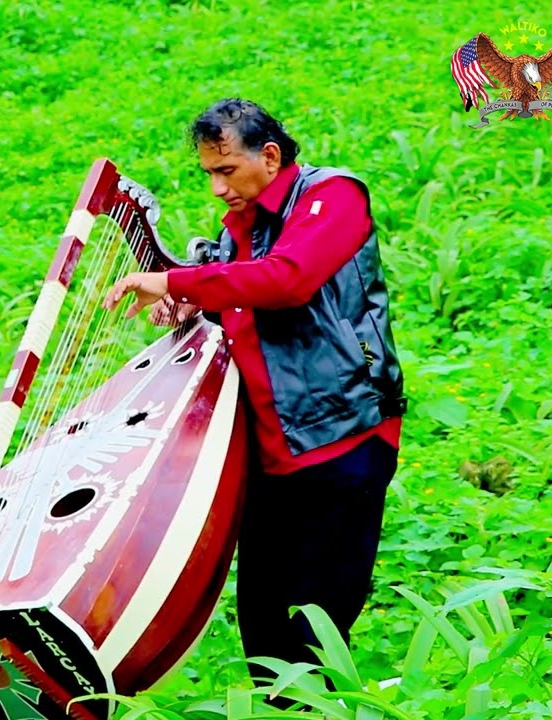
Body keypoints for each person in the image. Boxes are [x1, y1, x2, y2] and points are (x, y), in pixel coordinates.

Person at [103, 98, 408, 701]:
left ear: (269, 157)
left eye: (226, 171)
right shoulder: (234, 230)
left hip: (343, 436)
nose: (217, 188)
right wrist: (189, 305)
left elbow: (287, 280)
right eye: (208, 175)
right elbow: (239, 303)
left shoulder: (335, 197)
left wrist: (176, 280)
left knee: (317, 629)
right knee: (264, 629)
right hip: (269, 454)